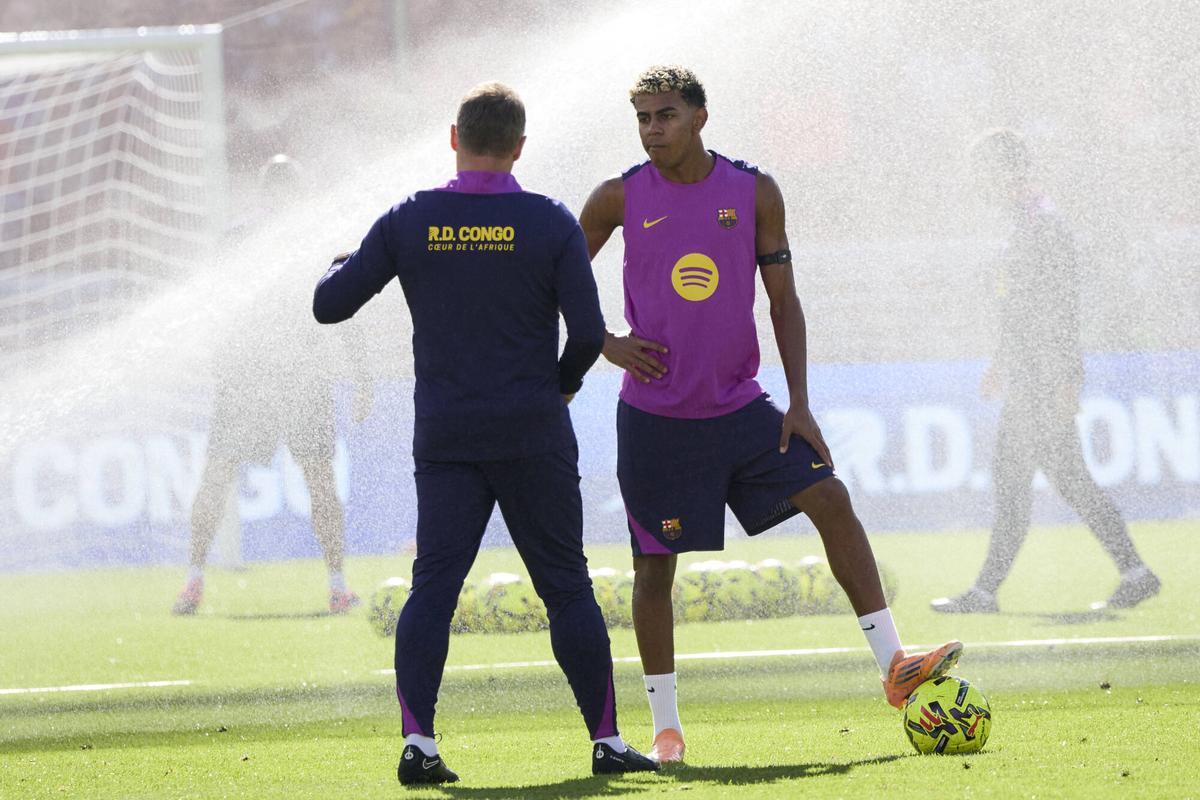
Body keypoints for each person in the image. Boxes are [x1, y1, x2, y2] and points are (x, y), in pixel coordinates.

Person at [577, 65, 963, 763]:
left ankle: (896, 666)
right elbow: (556, 279)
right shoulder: (617, 197)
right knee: (655, 569)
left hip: (741, 409)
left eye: (664, 115)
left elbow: (783, 302)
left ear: (700, 117)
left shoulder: (753, 192)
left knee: (831, 496)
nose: (652, 129)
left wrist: (802, 403)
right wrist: (606, 343)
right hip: (655, 421)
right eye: (641, 118)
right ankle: (666, 729)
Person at [312, 82, 658, 785]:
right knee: (566, 588)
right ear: (519, 147)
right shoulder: (549, 221)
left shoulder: (413, 218)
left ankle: (420, 744)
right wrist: (559, 384)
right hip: (534, 428)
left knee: (433, 587)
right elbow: (588, 335)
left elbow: (330, 306)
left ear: (454, 138)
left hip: (447, 435)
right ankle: (605, 740)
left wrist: (336, 262)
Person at [931, 129, 1159, 614]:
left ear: (1005, 171)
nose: (980, 184)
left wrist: (1065, 377)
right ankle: (1136, 574)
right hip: (1032, 373)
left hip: (1042, 378)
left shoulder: (1042, 224)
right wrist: (1003, 359)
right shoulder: (1026, 222)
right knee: (1067, 479)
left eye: (984, 173)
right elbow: (1023, 304)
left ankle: (986, 592)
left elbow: (1060, 305)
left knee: (1014, 480)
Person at [172, 155, 371, 616]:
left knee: (225, 477)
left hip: (274, 376)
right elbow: (344, 313)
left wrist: (361, 377)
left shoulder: (260, 238)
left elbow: (341, 311)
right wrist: (362, 379)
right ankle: (336, 585)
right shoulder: (273, 239)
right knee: (299, 480)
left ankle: (194, 581)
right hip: (269, 375)